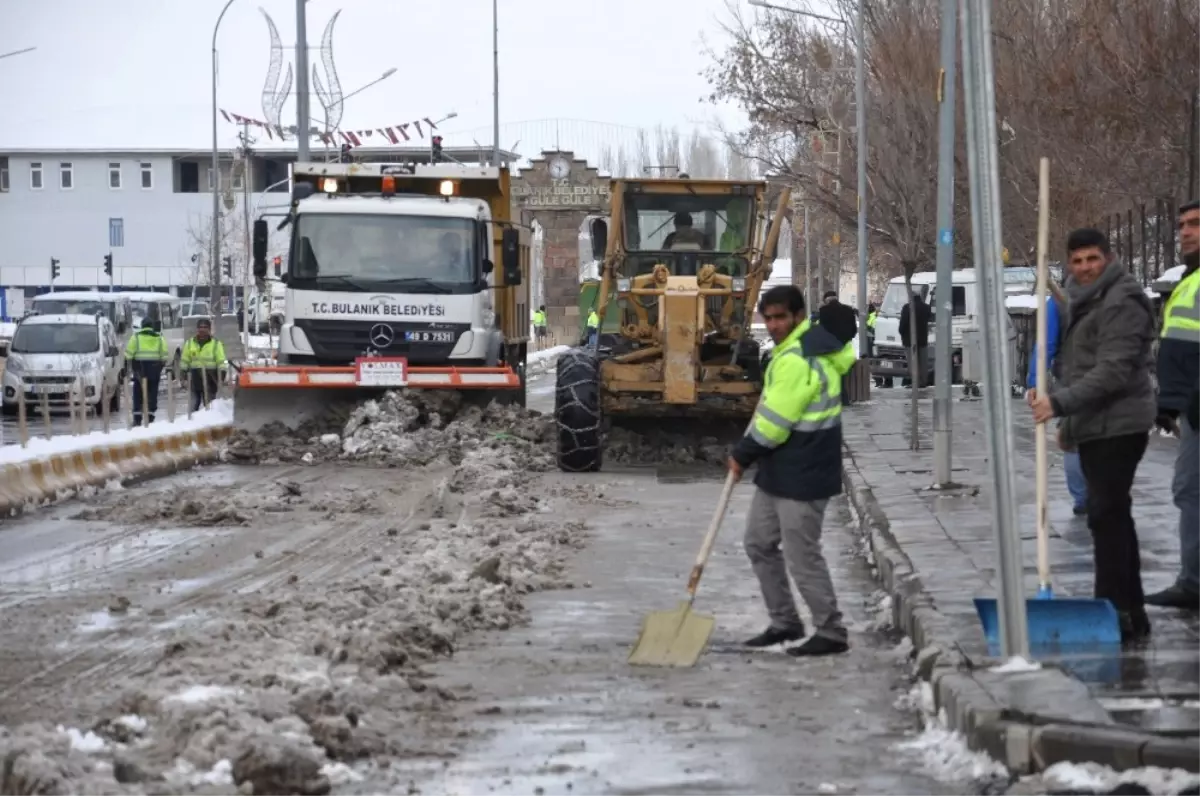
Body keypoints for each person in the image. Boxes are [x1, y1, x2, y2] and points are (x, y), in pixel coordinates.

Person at [1029, 228, 1156, 642]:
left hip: (1121, 423)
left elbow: (1113, 371)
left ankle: (1113, 608)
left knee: (1106, 514)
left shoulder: (1122, 300)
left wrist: (1060, 405)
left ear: (1109, 257)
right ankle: (1129, 611)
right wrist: (1070, 421)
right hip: (1097, 423)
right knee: (1111, 516)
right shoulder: (1082, 301)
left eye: (1092, 259)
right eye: (1077, 261)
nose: (1084, 268)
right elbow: (1078, 368)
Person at [729, 284, 856, 657]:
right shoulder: (791, 352)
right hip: (781, 469)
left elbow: (774, 423)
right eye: (767, 318)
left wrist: (742, 454)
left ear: (798, 316)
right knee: (758, 541)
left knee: (802, 554)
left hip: (804, 469)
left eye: (780, 317)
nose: (773, 324)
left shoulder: (798, 358)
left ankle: (831, 631)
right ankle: (785, 621)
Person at [1150, 199, 1200, 610]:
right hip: (1190, 407)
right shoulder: (1189, 280)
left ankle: (1194, 582)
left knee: (1190, 489)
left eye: (1196, 224)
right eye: (1182, 224)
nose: (1185, 231)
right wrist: (1168, 402)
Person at [1024, 279, 1088, 516]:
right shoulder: (1112, 295)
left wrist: (1034, 382)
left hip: (1072, 380)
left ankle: (1082, 498)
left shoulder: (1058, 303)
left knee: (1072, 438)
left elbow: (1045, 346)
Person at [124, 318, 169, 426]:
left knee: (138, 394)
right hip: (154, 370)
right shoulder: (159, 338)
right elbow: (164, 356)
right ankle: (150, 416)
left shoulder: (136, 337)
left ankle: (137, 418)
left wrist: (131, 367)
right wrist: (159, 368)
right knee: (152, 393)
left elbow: (128, 355)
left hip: (140, 369)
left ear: (142, 326)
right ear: (152, 326)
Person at [181, 318, 227, 412]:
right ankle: (191, 425)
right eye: (200, 327)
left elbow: (221, 362)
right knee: (193, 406)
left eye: (205, 327)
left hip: (210, 379)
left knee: (209, 407)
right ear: (197, 329)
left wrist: (221, 376)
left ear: (209, 329)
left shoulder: (216, 344)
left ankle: (209, 423)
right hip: (194, 379)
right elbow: (184, 361)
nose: (202, 329)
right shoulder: (189, 343)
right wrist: (183, 376)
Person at [898, 292, 932, 387]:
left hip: (909, 340)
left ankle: (916, 382)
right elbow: (929, 318)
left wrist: (902, 333)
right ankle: (923, 381)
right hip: (923, 339)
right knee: (923, 362)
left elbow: (902, 324)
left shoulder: (907, 308)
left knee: (913, 362)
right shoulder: (926, 307)